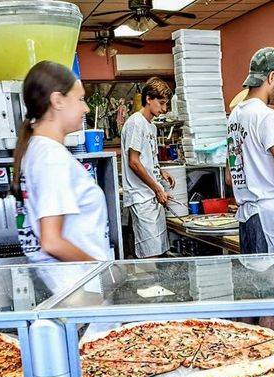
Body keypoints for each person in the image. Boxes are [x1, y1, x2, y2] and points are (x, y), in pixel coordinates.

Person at [11, 61, 112, 276]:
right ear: (57, 100)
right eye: (81, 99)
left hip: (72, 286)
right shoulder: (51, 157)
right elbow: (52, 242)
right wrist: (104, 271)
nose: (86, 108)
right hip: (79, 286)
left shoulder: (38, 150)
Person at [227, 47, 274, 254]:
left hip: (247, 219)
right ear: (271, 77)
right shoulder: (267, 116)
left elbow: (230, 178)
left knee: (254, 282)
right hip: (271, 218)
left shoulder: (234, 116)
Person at [121, 76, 177, 258]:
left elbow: (145, 159)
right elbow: (134, 162)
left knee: (159, 249)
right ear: (148, 99)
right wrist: (157, 188)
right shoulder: (136, 123)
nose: (164, 109)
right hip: (141, 197)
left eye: (166, 104)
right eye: (161, 103)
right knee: (150, 254)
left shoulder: (150, 126)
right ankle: (150, 286)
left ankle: (158, 286)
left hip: (150, 196)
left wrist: (160, 172)